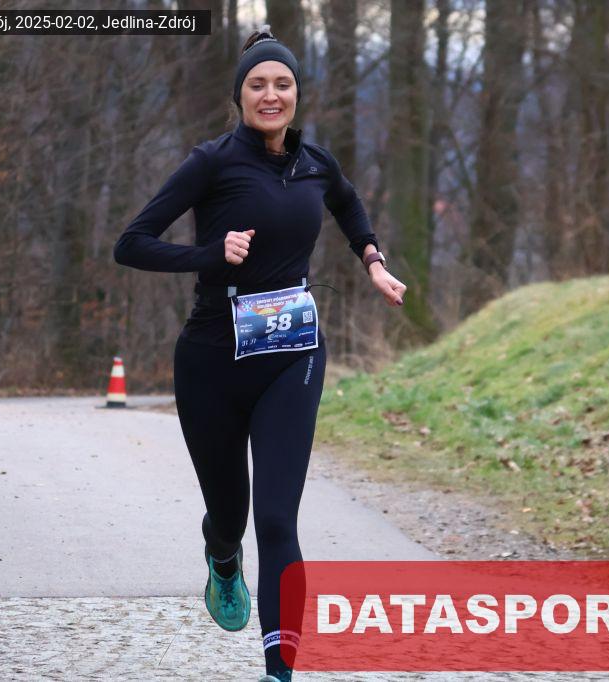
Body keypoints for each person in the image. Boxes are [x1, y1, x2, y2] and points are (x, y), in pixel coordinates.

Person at [114, 25, 407, 682]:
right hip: (211, 360)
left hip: (291, 355)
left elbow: (348, 204)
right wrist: (209, 254)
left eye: (283, 84)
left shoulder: (316, 163)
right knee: (232, 515)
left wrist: (372, 259)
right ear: (240, 96)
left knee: (276, 519)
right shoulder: (211, 163)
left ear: (296, 93)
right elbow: (131, 243)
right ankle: (222, 556)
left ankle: (280, 670)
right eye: (258, 85)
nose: (271, 95)